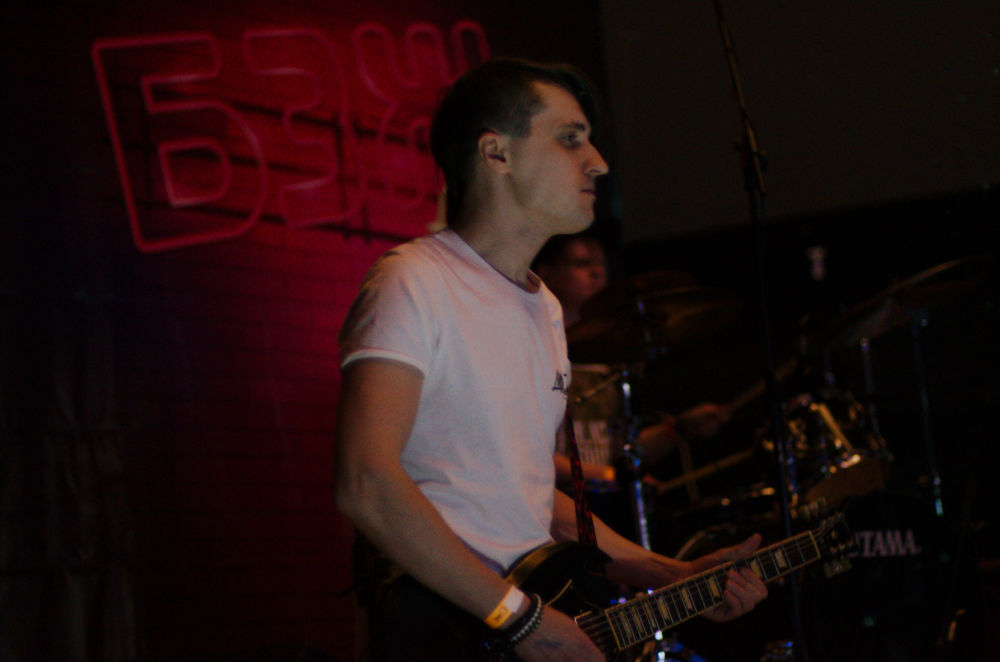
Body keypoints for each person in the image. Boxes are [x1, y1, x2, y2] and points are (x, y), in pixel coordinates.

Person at [334, 57, 767, 662]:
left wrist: (670, 573)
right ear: (497, 153)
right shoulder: (415, 280)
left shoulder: (545, 308)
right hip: (446, 631)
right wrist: (519, 618)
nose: (598, 162)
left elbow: (530, 497)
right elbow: (366, 483)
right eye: (570, 139)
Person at [533, 232, 732, 490]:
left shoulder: (609, 357)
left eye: (601, 264)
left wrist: (678, 429)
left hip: (600, 499)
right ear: (546, 273)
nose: (597, 272)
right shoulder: (535, 350)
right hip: (554, 501)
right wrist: (610, 476)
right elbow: (528, 453)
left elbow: (618, 448)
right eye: (582, 263)